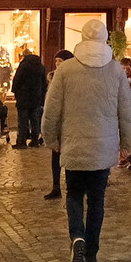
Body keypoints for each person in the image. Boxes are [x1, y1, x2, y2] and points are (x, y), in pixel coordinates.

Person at [43, 20, 131, 262]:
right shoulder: (116, 70)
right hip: (103, 146)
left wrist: (51, 139)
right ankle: (92, 256)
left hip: (73, 142)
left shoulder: (66, 70)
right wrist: (128, 143)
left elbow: (52, 109)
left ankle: (77, 238)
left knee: (73, 195)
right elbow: (126, 112)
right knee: (97, 201)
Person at [45, 49, 75, 199]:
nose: (57, 64)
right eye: (56, 61)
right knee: (55, 154)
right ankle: (56, 186)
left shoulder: (74, 77)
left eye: (60, 61)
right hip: (57, 122)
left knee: (70, 155)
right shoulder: (51, 77)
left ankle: (71, 186)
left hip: (70, 122)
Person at [11, 49, 48, 149]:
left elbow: (17, 79)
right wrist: (41, 95)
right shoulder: (40, 67)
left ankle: (22, 141)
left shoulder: (24, 65)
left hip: (23, 97)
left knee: (23, 120)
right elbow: (44, 83)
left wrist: (15, 91)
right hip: (35, 97)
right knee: (34, 119)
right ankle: (35, 141)